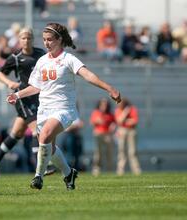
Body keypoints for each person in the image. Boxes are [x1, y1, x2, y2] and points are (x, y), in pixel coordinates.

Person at [7, 22, 121, 190]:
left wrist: (109, 88)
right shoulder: (42, 61)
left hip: (64, 109)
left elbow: (88, 75)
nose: (46, 43)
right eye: (44, 40)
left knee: (44, 135)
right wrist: (17, 95)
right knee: (50, 148)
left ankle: (38, 176)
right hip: (44, 109)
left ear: (59, 40)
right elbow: (36, 87)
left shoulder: (68, 59)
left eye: (50, 40)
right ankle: (69, 174)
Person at [0, 27, 46, 178]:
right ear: (19, 40)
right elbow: (0, 74)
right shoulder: (16, 57)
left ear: (33, 39)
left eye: (29, 38)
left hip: (37, 96)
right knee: (36, 130)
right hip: (22, 97)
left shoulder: (41, 54)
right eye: (23, 38)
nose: (26, 41)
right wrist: (9, 83)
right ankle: (41, 166)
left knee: (17, 132)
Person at [114, 98, 141, 176]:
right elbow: (119, 121)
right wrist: (126, 113)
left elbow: (135, 121)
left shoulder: (132, 109)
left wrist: (125, 121)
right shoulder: (118, 110)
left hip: (131, 131)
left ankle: (136, 169)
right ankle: (120, 170)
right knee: (121, 151)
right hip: (122, 131)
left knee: (132, 151)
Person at [90, 98, 115, 176]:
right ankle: (96, 169)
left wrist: (113, 126)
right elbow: (93, 122)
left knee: (109, 153)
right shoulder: (96, 112)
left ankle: (110, 170)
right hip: (98, 134)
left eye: (106, 105)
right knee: (98, 153)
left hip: (108, 135)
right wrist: (99, 120)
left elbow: (114, 123)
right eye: (103, 104)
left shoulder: (110, 114)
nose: (104, 106)